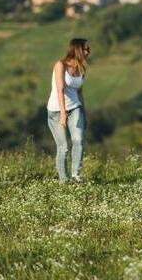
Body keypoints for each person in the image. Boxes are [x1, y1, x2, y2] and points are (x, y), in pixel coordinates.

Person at [46, 38, 90, 183]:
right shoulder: (61, 65)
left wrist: (85, 113)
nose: (88, 52)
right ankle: (63, 180)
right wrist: (63, 114)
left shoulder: (82, 68)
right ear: (77, 49)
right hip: (57, 110)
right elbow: (60, 89)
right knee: (63, 147)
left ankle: (76, 175)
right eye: (86, 49)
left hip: (75, 107)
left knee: (78, 140)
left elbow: (80, 92)